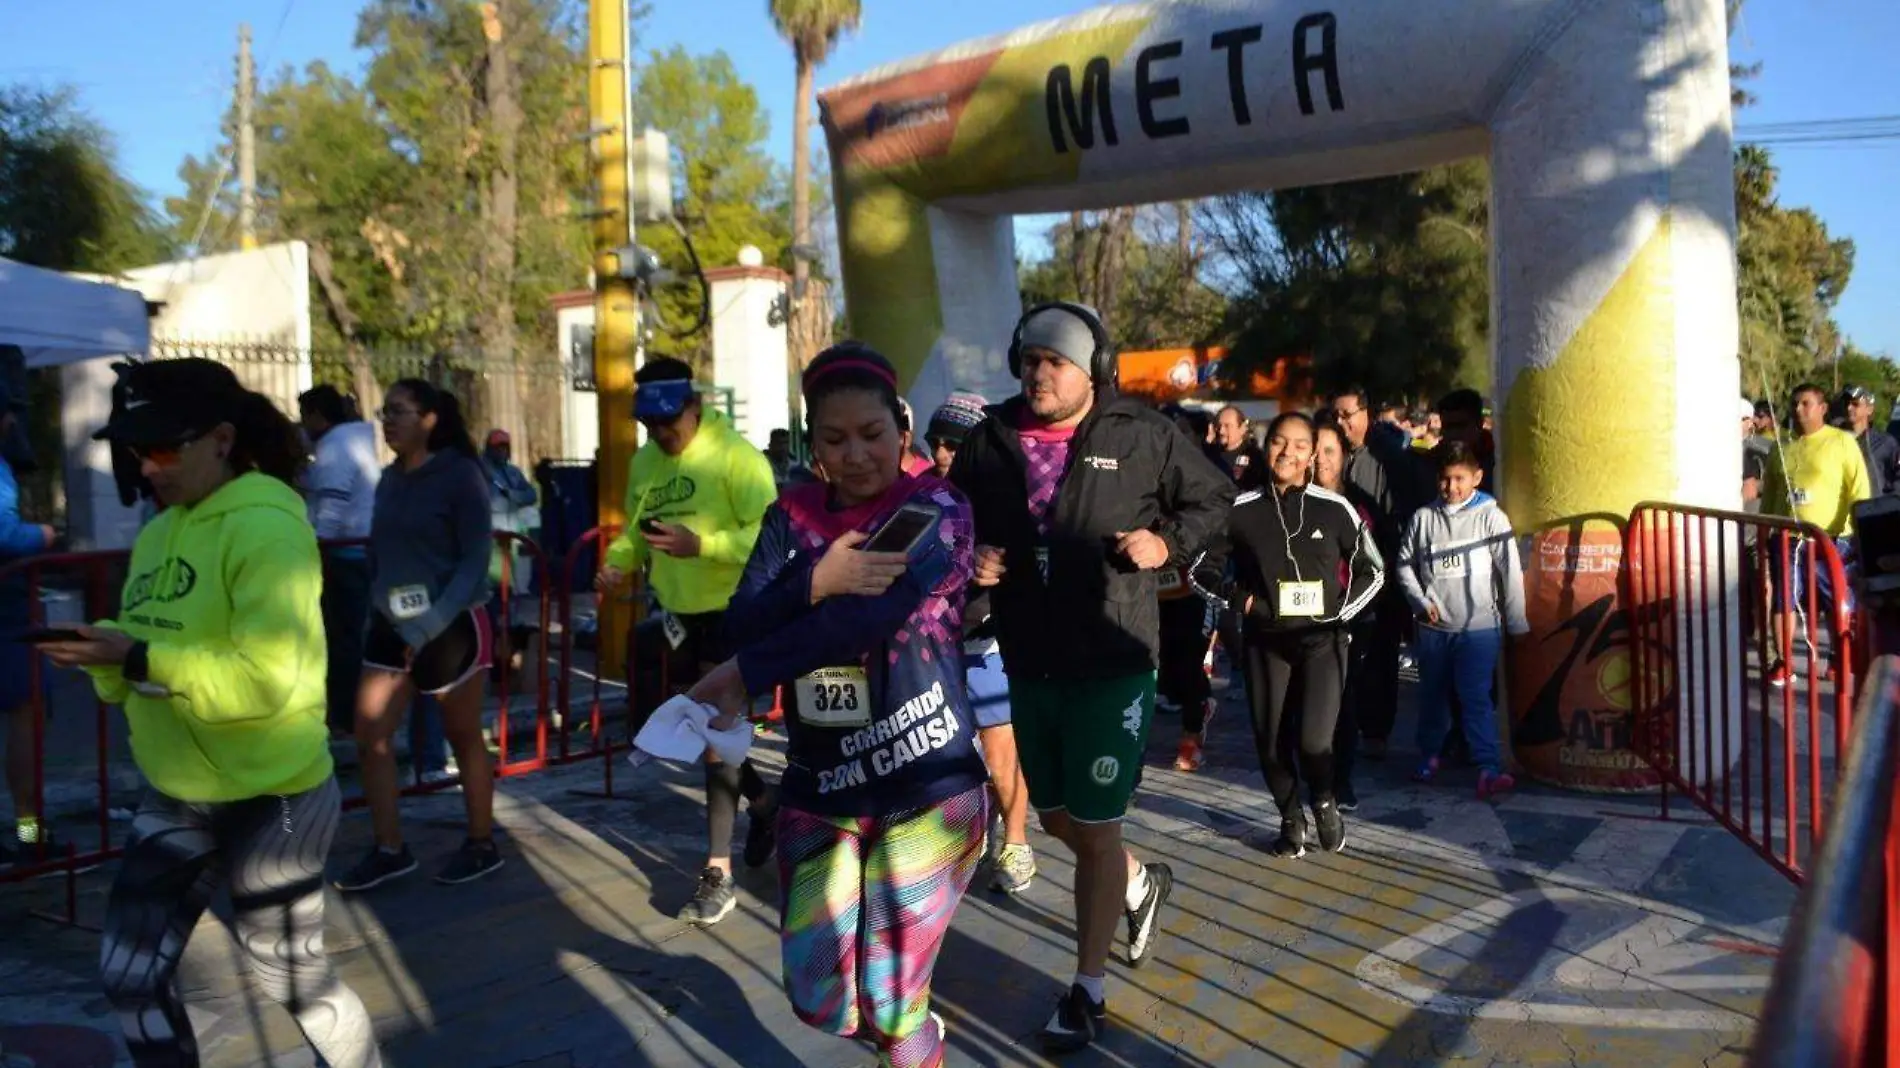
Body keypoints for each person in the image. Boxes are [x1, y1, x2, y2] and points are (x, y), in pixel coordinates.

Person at [43, 358, 381, 1068]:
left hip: (275, 795)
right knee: (130, 977)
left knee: (293, 979)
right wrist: (104, 661)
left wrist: (136, 658)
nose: (148, 468)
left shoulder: (265, 528)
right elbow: (144, 662)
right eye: (136, 451)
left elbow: (266, 681)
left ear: (221, 439)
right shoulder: (160, 535)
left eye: (163, 447)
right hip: (178, 792)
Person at [690, 343, 990, 1068]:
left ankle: (913, 1043)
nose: (855, 455)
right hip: (820, 788)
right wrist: (813, 580)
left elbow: (869, 617)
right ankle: (910, 1038)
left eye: (872, 435)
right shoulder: (788, 518)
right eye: (834, 439)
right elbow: (743, 618)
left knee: (891, 1000)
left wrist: (744, 672)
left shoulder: (934, 508)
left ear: (903, 434)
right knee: (819, 998)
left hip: (927, 786)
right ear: (813, 447)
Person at [948, 302, 1234, 1054]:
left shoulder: (1139, 432)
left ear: (1091, 370)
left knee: (1097, 828)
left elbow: (1215, 499)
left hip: (1113, 661)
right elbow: (958, 523)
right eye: (1031, 360)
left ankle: (1087, 989)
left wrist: (1164, 542)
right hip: (1029, 656)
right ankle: (1139, 884)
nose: (1040, 374)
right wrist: (970, 561)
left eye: (1057, 362)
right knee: (1053, 816)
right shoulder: (989, 440)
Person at [597, 357, 780, 923]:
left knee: (719, 731)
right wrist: (617, 564)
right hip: (677, 615)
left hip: (736, 611)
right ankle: (767, 802)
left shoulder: (737, 458)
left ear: (695, 405)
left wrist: (704, 545)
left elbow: (769, 536)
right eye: (650, 426)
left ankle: (717, 871)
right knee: (703, 731)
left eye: (669, 422)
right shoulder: (646, 462)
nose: (661, 434)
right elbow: (636, 531)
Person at [335, 379, 502, 891]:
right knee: (371, 736)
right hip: (390, 626)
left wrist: (431, 624)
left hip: (450, 626)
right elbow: (378, 553)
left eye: (400, 412)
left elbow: (476, 559)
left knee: (463, 736)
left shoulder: (460, 474)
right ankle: (389, 849)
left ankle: (480, 843)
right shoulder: (388, 480)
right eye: (384, 412)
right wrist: (377, 616)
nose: (388, 421)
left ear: (429, 419)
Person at [1213, 411, 1383, 859]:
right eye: (1278, 442)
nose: (1287, 452)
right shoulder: (1241, 510)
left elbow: (1374, 569)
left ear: (1311, 455)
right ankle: (1291, 817)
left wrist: (1339, 612)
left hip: (1322, 643)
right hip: (1266, 644)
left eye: (1299, 445)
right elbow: (1201, 566)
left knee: (1314, 741)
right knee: (1270, 744)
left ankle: (1324, 799)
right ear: (1265, 447)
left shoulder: (1335, 507)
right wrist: (1243, 600)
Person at [927, 390, 1037, 893]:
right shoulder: (923, 495)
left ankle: (1015, 842)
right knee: (947, 753)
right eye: (937, 442)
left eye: (955, 442)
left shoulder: (1006, 495)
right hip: (939, 644)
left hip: (992, 636)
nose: (944, 453)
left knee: (1000, 755)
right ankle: (972, 829)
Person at [1396, 441, 1530, 798]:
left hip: (1480, 630)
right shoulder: (1423, 519)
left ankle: (1488, 766)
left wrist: (1517, 623)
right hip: (1433, 630)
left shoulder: (1491, 517)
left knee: (1476, 698)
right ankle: (1429, 756)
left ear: (1476, 477)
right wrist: (1420, 602)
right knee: (1432, 697)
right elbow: (1404, 565)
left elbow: (1510, 572)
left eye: (1459, 478)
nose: (1451, 487)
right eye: (1445, 479)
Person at [1329, 387, 1420, 763]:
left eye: (1347, 413)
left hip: (1382, 569)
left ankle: (1376, 730)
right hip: (1339, 573)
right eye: (1335, 415)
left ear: (1366, 413)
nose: (1341, 422)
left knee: (1380, 653)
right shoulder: (1335, 452)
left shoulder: (1389, 456)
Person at [1761, 382, 1872, 685]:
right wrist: (1764, 532)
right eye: (1795, 404)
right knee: (1783, 601)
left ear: (1822, 408)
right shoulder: (1780, 447)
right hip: (1786, 539)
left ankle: (1840, 658)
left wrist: (1855, 530)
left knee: (1836, 602)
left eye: (1805, 403)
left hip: (1832, 540)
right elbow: (1771, 494)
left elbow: (1859, 488)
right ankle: (1784, 661)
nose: (1798, 410)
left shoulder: (1841, 442)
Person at [298, 385, 382, 739]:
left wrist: (316, 549)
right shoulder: (353, 441)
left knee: (341, 640)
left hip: (341, 554)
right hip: (356, 551)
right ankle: (347, 713)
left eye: (305, 417)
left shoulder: (336, 447)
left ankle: (343, 715)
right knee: (348, 636)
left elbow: (331, 506)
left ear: (318, 416)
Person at [0, 384, 57, 867]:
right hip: (7, 613)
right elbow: (5, 534)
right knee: (25, 721)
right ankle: (28, 834)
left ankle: (27, 834)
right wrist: (43, 533)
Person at [1311, 422, 1376, 808]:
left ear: (1345, 458)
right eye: (1314, 449)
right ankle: (1314, 778)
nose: (1320, 459)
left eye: (1330, 451)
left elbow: (1371, 569)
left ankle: (1341, 781)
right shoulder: (1289, 504)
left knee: (1342, 703)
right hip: (1299, 620)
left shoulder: (1356, 510)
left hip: (1348, 619)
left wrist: (1344, 610)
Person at [1838, 386, 1900, 497]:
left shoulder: (1885, 442)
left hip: (1875, 509)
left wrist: (1891, 502)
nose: (1849, 408)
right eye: (1846, 404)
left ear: (1869, 409)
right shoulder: (1833, 440)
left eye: (1855, 404)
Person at [1212, 404, 1267, 490]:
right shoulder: (1210, 455)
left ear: (1242, 428)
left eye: (1227, 426)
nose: (1221, 431)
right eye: (1219, 426)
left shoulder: (1256, 457)